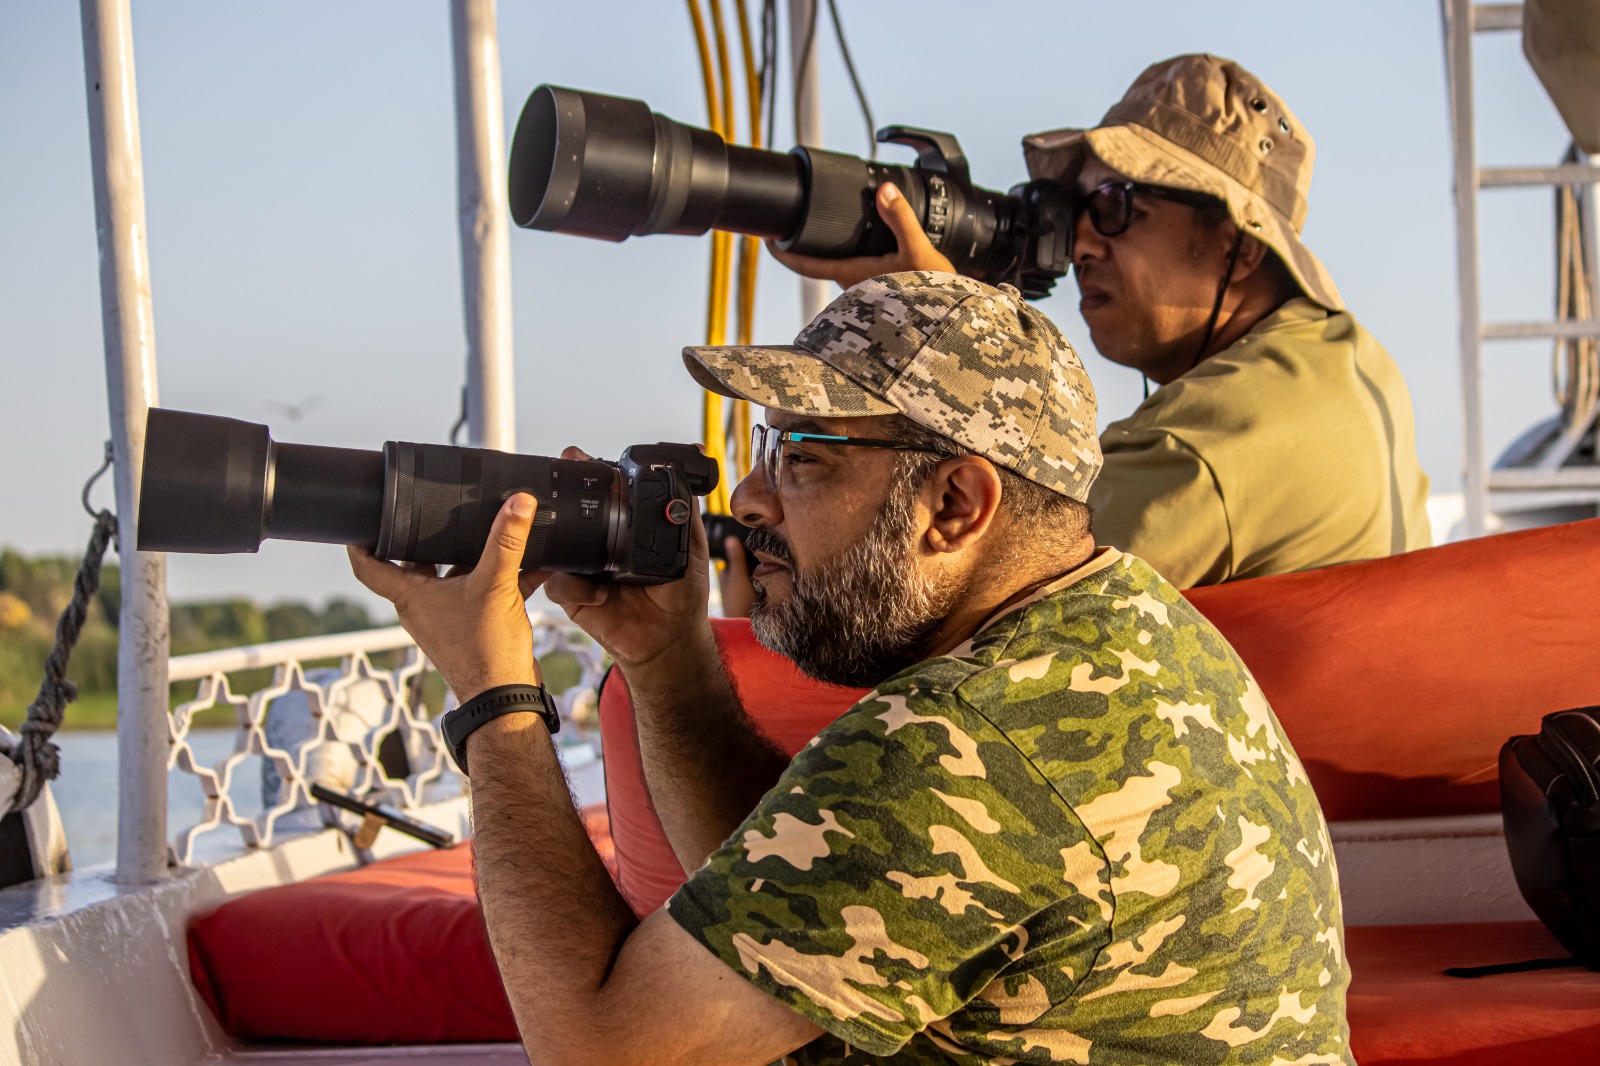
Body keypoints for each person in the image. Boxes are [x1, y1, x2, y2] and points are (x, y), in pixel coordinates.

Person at [350, 271, 1351, 1065]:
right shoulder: (1125, 621)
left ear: (956, 503)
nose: (748, 497)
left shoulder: (963, 740)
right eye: (763, 447)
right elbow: (802, 899)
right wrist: (669, 662)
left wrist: (494, 697)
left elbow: (602, 1051)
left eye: (803, 456)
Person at [767, 53, 1431, 590]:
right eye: (1077, 209)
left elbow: (977, 592)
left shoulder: (1210, 445)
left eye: (1118, 205)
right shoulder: (1348, 360)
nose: (1082, 243)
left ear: (1241, 243)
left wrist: (939, 329)